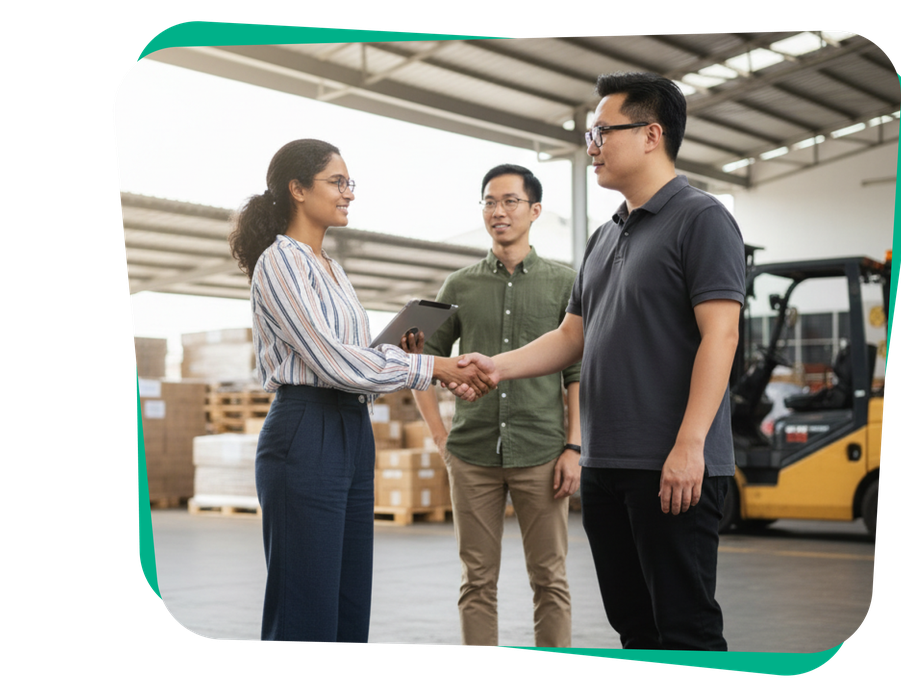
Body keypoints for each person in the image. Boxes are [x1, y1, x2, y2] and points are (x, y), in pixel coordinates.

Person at [456, 73, 745, 651]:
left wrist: (690, 446)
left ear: (651, 135)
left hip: (672, 467)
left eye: (602, 131)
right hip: (608, 465)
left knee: (684, 629)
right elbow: (571, 336)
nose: (592, 146)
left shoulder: (701, 218)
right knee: (633, 628)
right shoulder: (604, 237)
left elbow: (723, 335)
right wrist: (496, 367)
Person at [228, 139, 493, 644]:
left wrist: (401, 350)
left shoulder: (333, 269)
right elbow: (332, 361)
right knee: (306, 605)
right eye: (338, 181)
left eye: (351, 183)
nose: (349, 193)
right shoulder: (280, 263)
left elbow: (356, 359)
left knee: (349, 602)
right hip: (306, 429)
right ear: (298, 190)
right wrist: (429, 365)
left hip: (351, 429)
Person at [402, 164, 580, 647]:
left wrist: (574, 447)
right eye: (488, 202)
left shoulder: (565, 283)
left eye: (509, 201)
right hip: (473, 453)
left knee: (550, 580)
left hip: (542, 452)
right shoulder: (458, 286)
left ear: (534, 210)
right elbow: (421, 363)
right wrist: (441, 439)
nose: (497, 211)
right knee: (476, 581)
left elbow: (575, 374)